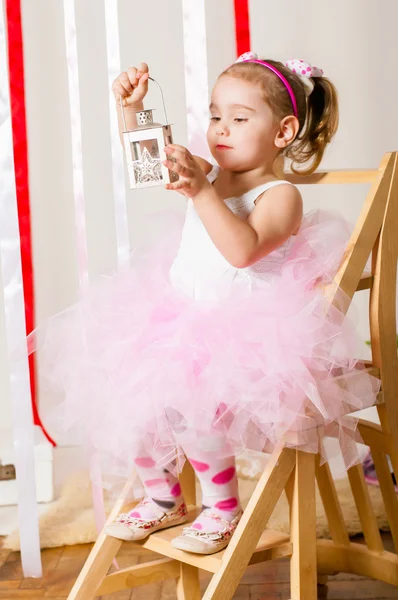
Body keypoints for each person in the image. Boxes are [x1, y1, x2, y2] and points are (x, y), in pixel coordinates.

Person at [30, 53, 380, 555]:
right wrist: (133, 111)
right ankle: (162, 498)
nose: (221, 128)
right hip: (182, 318)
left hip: (243, 337)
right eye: (216, 115)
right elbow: (151, 167)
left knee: (195, 403)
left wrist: (200, 190)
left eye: (239, 118)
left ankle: (221, 507)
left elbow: (241, 251)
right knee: (136, 396)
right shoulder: (212, 175)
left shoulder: (281, 196)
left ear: (282, 132)